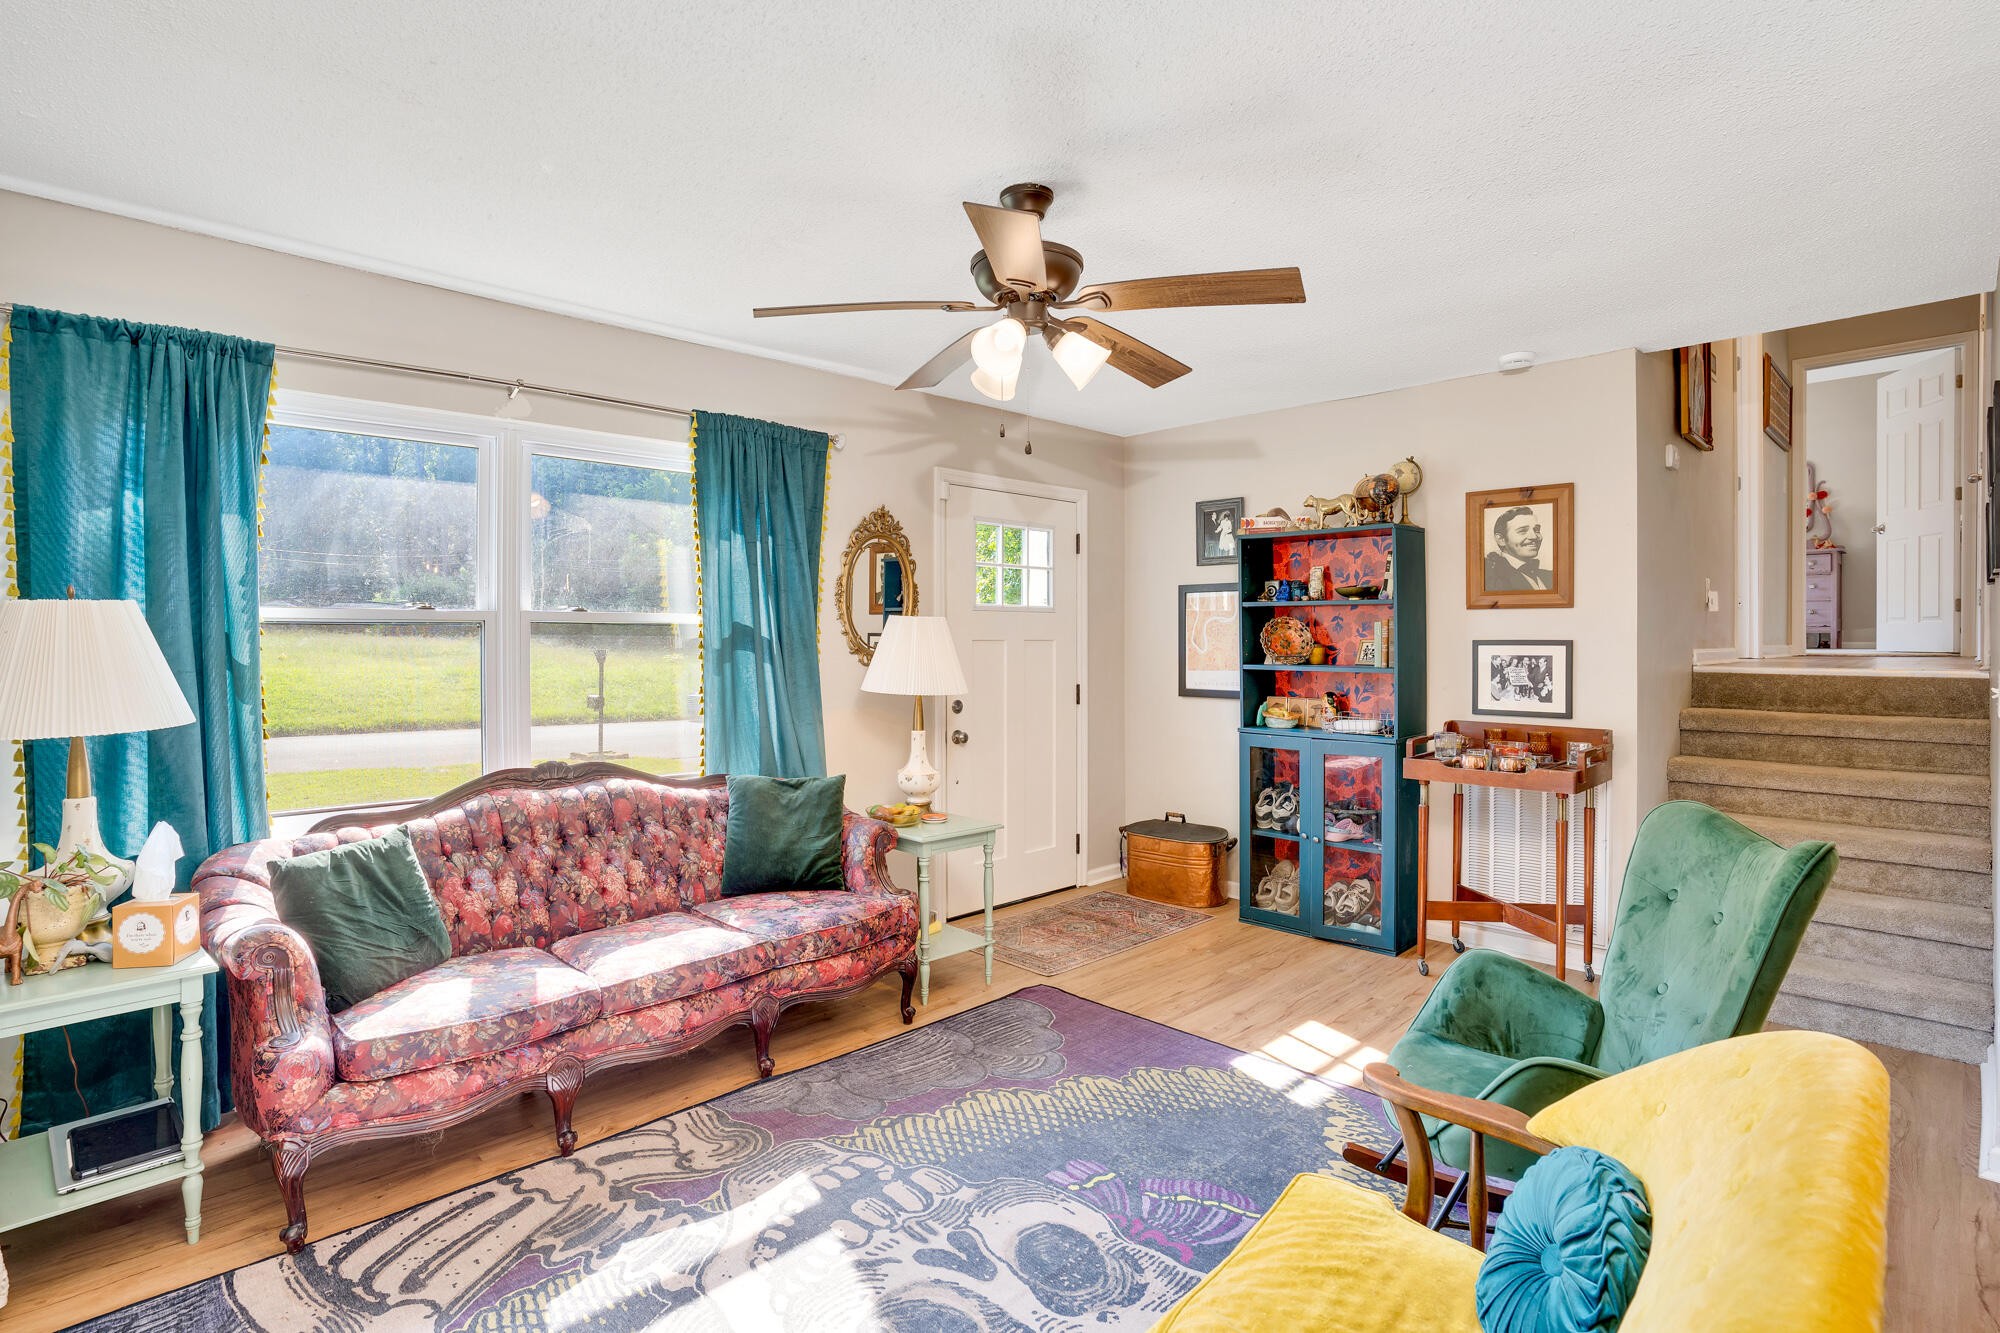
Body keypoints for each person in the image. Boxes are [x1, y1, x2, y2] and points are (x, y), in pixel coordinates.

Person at [1485, 506, 1551, 591]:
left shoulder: (1550, 576)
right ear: (1501, 539)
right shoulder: (1490, 578)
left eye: (1536, 530)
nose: (1534, 536)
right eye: (1522, 531)